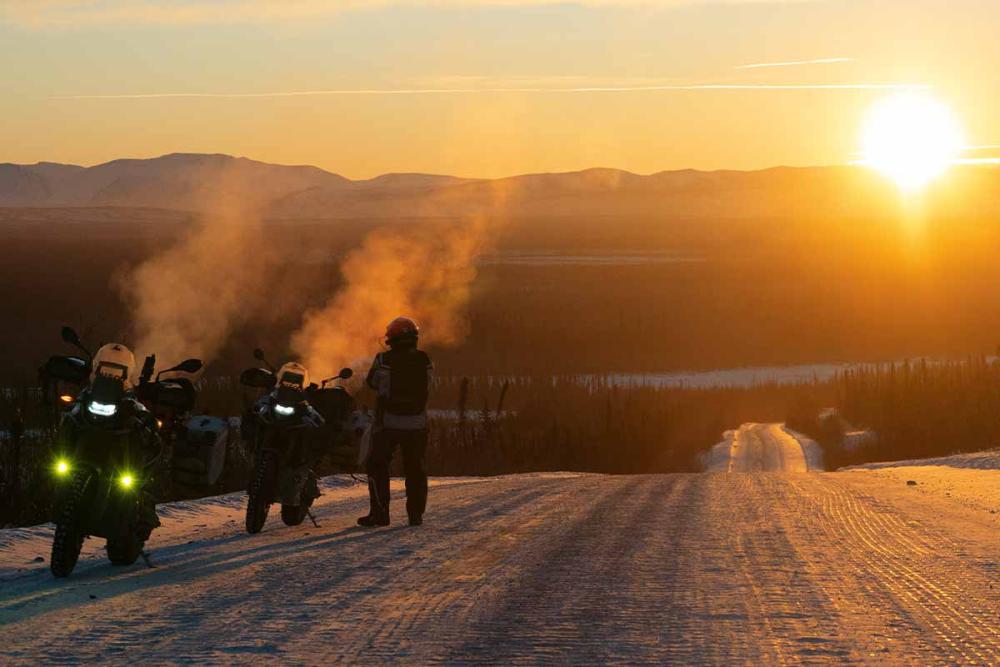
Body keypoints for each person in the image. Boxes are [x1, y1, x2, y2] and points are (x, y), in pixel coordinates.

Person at [358, 317, 433, 527]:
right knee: (416, 468)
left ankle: (380, 513)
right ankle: (415, 515)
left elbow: (372, 382)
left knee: (377, 465)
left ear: (392, 338)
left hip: (387, 423)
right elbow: (429, 386)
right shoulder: (424, 359)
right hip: (418, 423)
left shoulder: (383, 360)